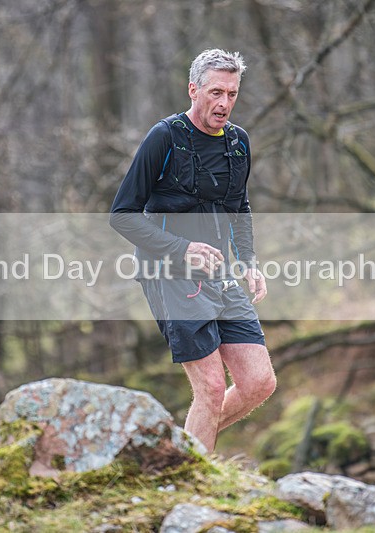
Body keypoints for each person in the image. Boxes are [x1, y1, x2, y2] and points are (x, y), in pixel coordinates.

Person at [110, 49, 276, 452]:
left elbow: (240, 207)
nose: (224, 103)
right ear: (193, 89)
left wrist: (249, 262)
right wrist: (182, 249)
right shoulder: (164, 137)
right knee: (212, 387)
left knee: (258, 382)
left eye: (232, 94)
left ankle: (179, 452)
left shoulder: (238, 143)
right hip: (168, 273)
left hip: (219, 274)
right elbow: (123, 215)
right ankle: (191, 487)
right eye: (215, 92)